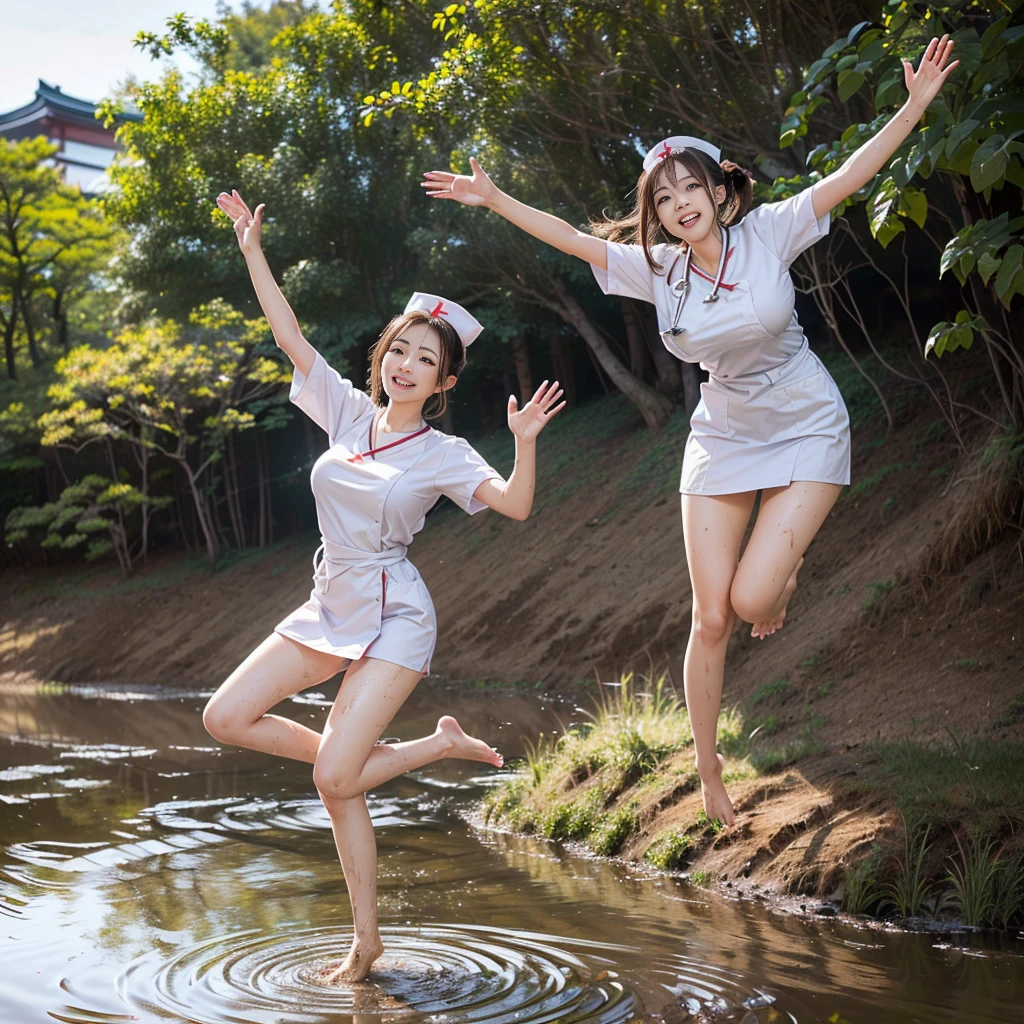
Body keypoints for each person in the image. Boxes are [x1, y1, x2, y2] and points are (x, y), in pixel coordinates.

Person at [422, 36, 958, 827]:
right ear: (659, 214)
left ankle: (777, 575)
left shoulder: (769, 231)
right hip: (724, 432)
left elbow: (848, 178)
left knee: (751, 597)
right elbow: (574, 240)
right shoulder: (659, 270)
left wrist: (912, 109)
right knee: (713, 618)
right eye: (664, 196)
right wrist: (495, 198)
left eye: (690, 187)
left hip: (807, 420)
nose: (680, 202)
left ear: (717, 190)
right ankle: (709, 770)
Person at [203, 190, 565, 982]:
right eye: (400, 349)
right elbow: (289, 334)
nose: (406, 365)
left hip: (397, 613)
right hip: (328, 600)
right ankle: (419, 748)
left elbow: (517, 504)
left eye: (425, 360)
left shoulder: (446, 451)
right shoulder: (344, 414)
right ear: (384, 356)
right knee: (224, 716)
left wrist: (525, 443)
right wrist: (252, 252)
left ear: (442, 382)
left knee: (336, 780)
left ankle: (366, 942)